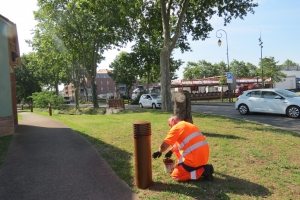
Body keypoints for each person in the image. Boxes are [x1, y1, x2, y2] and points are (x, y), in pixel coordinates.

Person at [152, 114, 214, 181]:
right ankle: (198, 167)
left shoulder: (176, 127)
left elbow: (164, 146)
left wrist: (159, 151)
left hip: (193, 161)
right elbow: (182, 143)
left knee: (175, 176)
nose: (170, 127)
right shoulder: (188, 125)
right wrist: (171, 151)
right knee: (178, 142)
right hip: (204, 158)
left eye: (169, 124)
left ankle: (203, 171)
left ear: (173, 121)